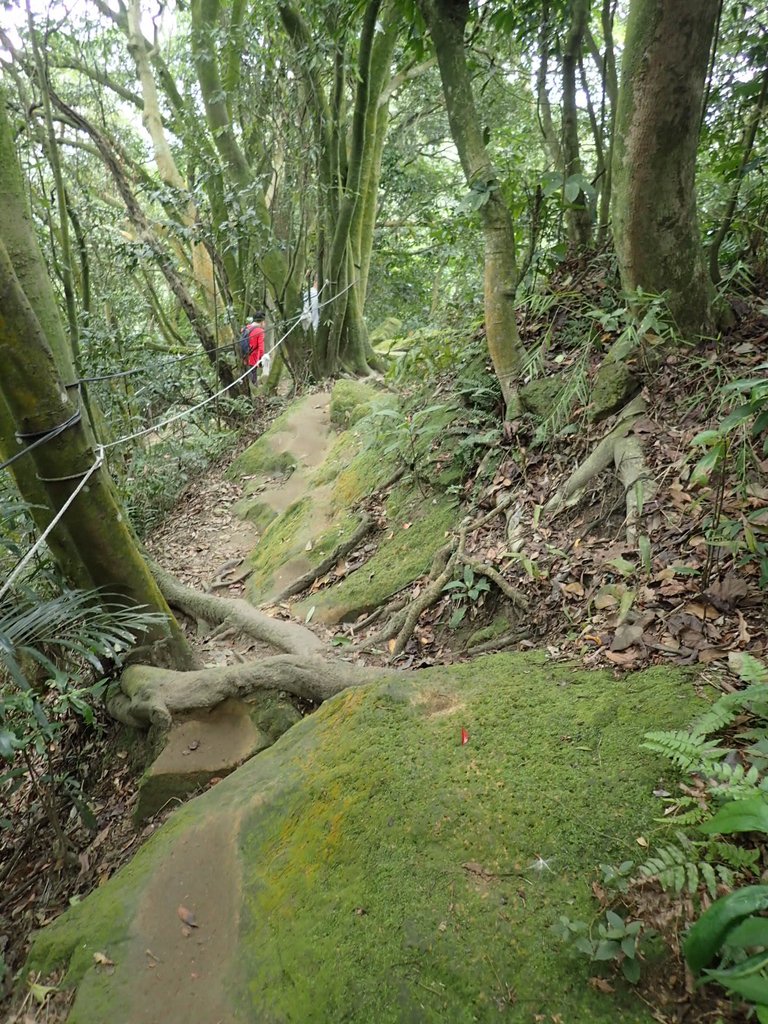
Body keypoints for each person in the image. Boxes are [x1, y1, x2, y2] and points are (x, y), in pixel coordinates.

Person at [241, 312, 266, 384]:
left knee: (246, 377)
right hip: (253, 358)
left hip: (244, 357)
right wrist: (261, 360)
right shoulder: (260, 331)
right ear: (261, 322)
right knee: (253, 378)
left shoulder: (245, 328)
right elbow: (261, 348)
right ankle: (254, 392)